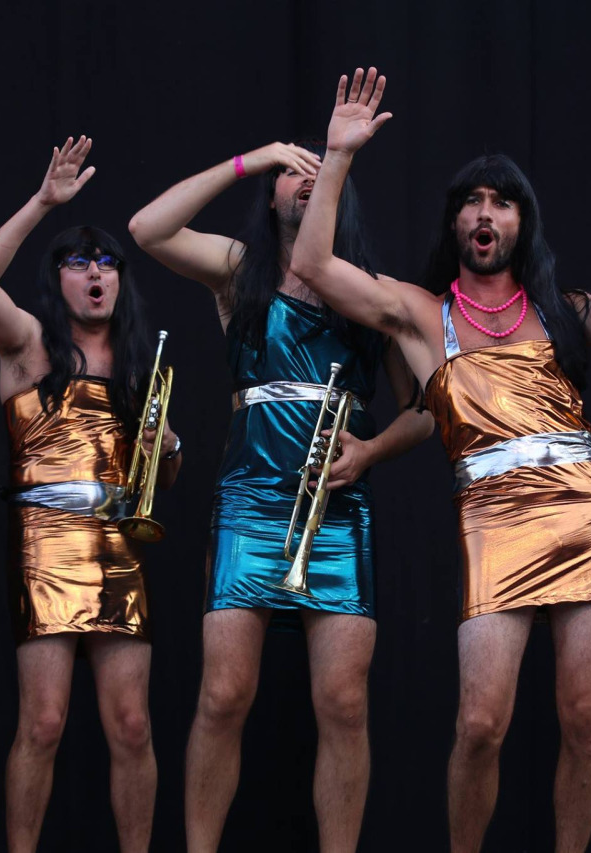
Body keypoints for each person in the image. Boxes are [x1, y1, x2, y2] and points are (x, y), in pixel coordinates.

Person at [289, 68, 591, 853]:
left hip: (580, 508)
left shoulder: (563, 311)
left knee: (586, 713)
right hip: (493, 516)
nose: (485, 212)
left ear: (522, 222)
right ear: (455, 221)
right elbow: (317, 267)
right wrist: (338, 158)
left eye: (501, 201)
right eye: (472, 200)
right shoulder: (425, 313)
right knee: (482, 722)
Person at [129, 121, 432, 848]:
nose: (304, 177)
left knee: (344, 702)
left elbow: (429, 408)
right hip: (251, 501)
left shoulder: (372, 291)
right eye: (291, 171)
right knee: (224, 694)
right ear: (271, 195)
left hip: (340, 505)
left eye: (318, 169)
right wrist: (249, 158)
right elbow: (147, 228)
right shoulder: (241, 270)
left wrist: (371, 451)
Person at [0, 136, 178, 853]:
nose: (95, 274)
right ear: (58, 280)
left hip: (119, 542)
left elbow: (160, 484)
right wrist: (43, 203)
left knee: (133, 725)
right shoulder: (29, 344)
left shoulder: (140, 369)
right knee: (43, 722)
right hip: (46, 537)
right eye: (79, 263)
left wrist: (168, 448)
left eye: (107, 263)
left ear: (120, 283)